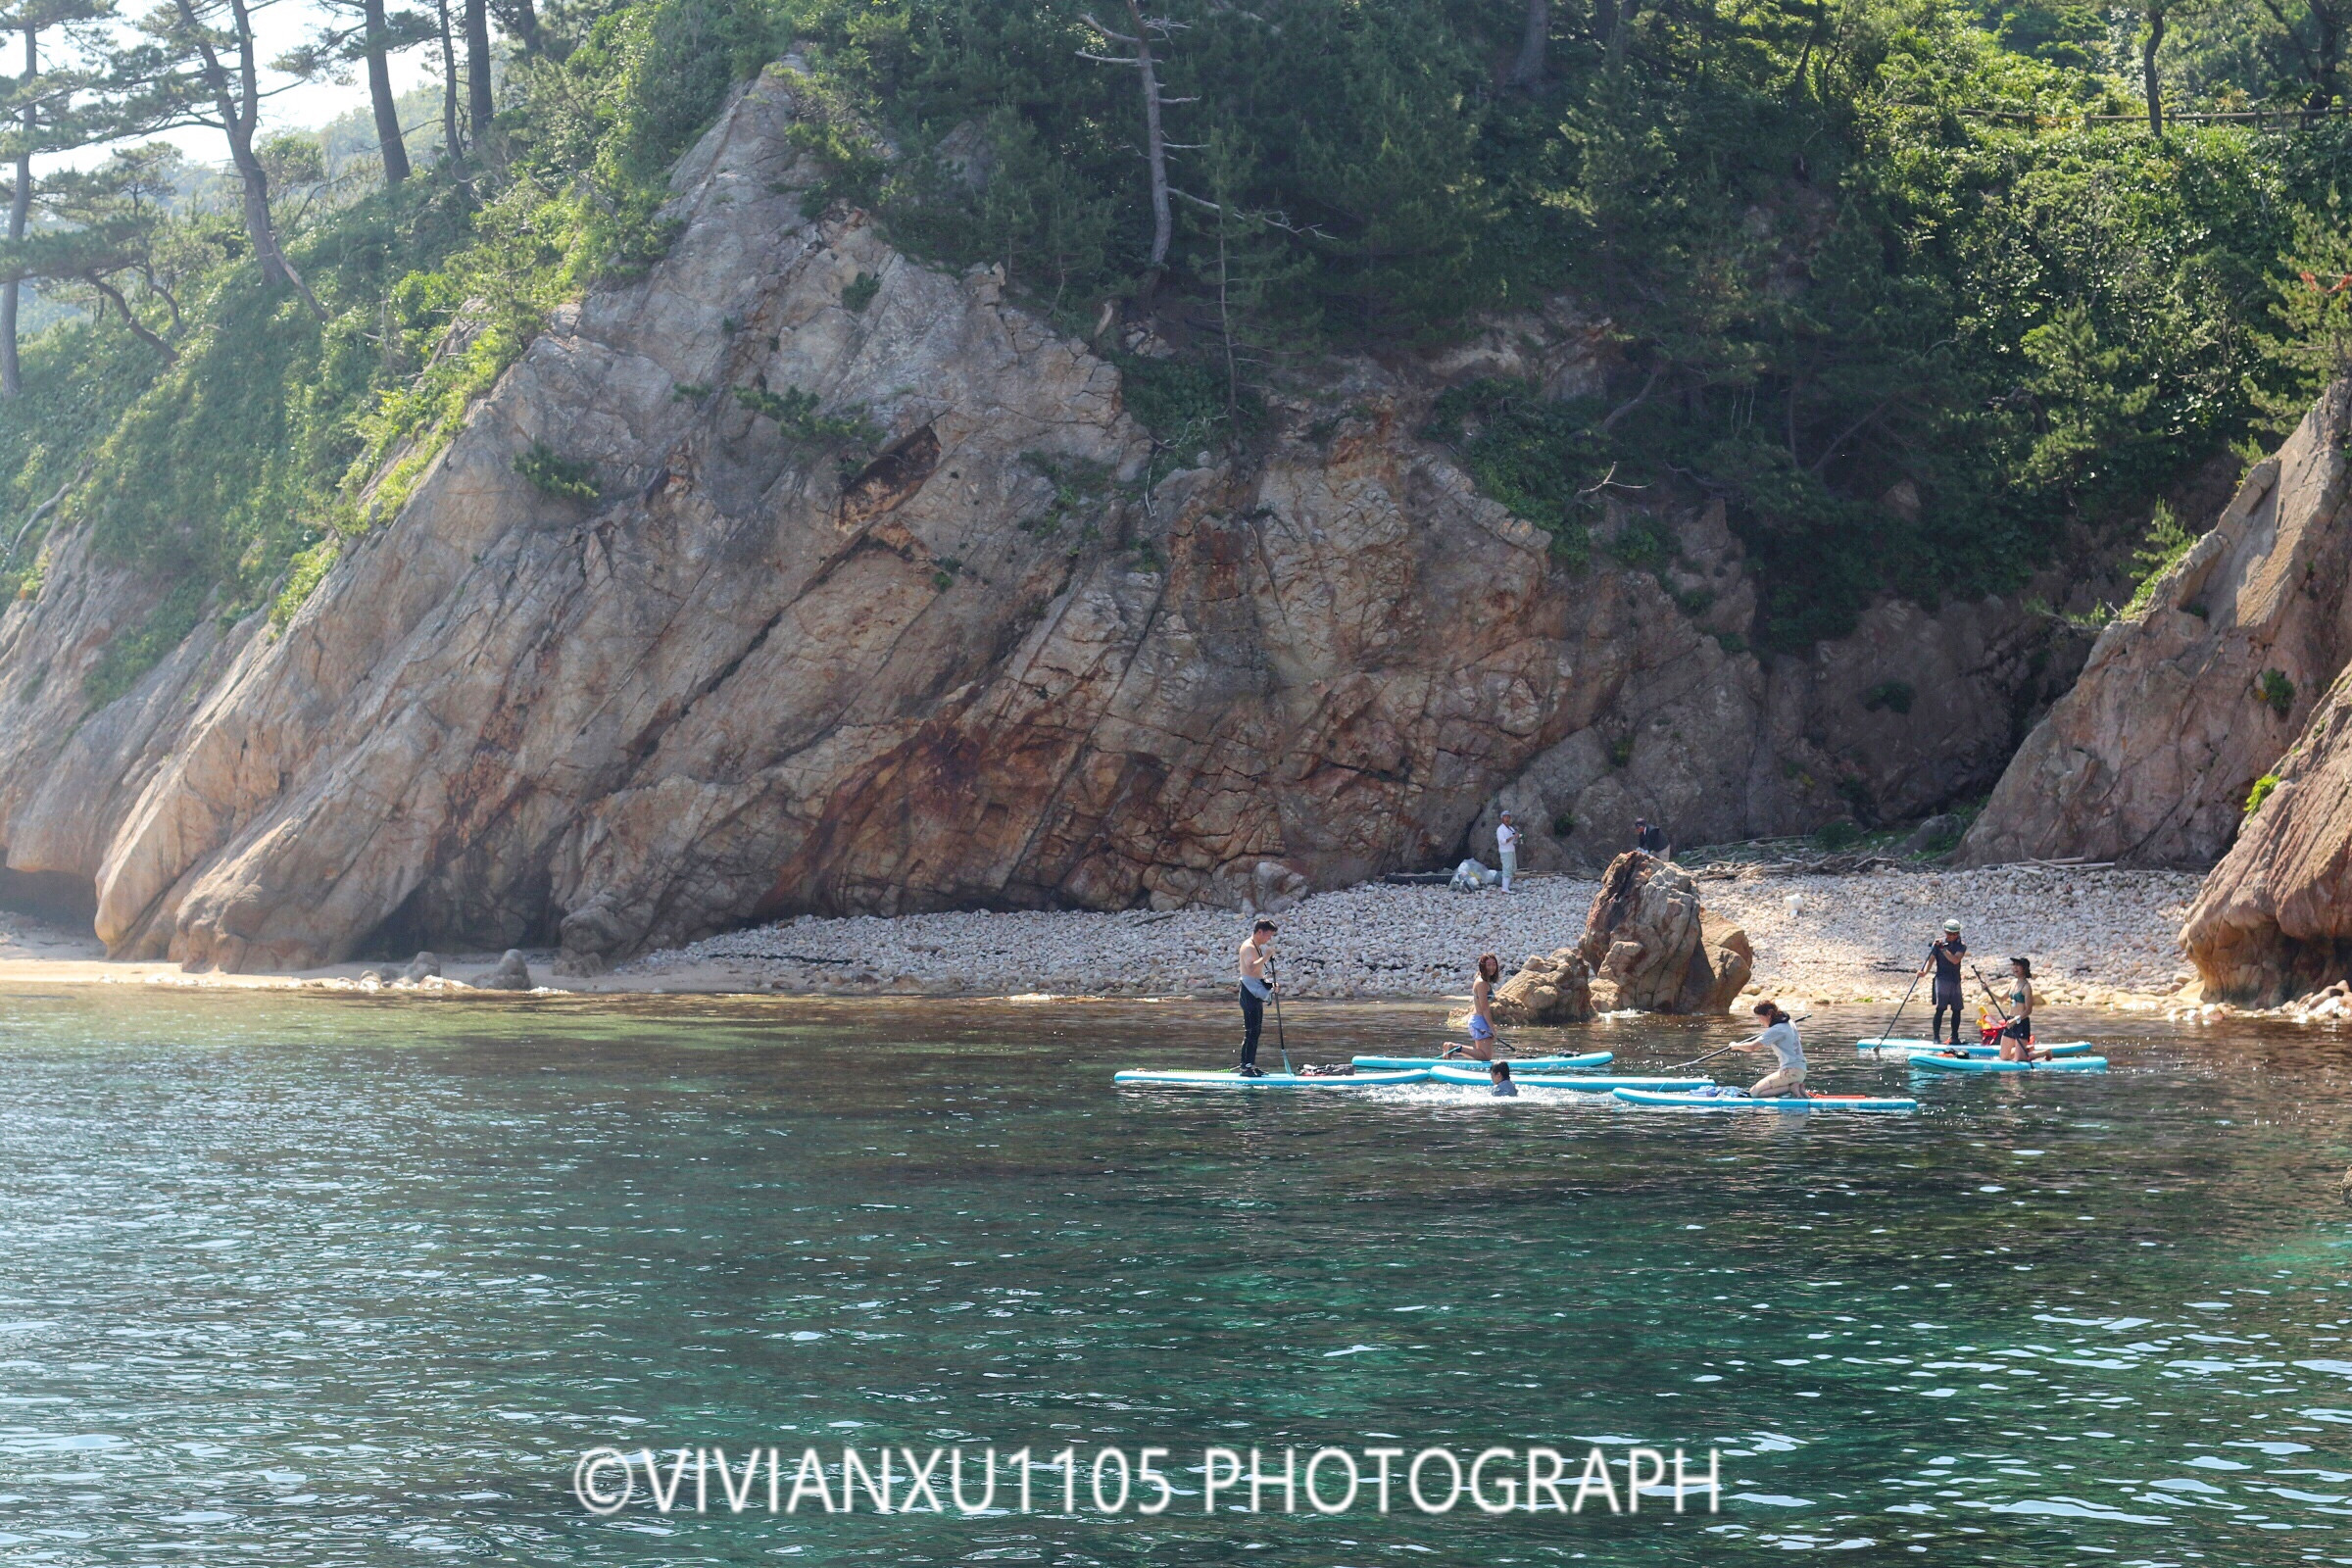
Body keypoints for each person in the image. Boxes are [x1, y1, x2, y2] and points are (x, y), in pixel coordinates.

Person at [1731, 1000, 1806, 1098]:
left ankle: (1791, 1088)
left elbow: (1752, 1047)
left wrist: (1735, 1045)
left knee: (1754, 1093)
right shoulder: (1790, 1023)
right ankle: (1797, 1087)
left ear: (1769, 1014)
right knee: (1759, 1090)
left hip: (1790, 1072)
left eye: (1759, 1017)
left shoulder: (1777, 1029)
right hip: (1801, 1070)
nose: (1759, 1020)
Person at [1237, 919, 1277, 1077]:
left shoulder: (1256, 946)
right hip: (1248, 992)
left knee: (1256, 1031)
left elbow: (1257, 971)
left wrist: (1268, 982)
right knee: (1251, 1031)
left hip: (1255, 990)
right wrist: (1267, 956)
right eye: (1268, 935)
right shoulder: (1248, 946)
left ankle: (1251, 1064)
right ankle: (1245, 1067)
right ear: (1260, 931)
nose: (1269, 939)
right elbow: (1251, 967)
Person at [1918, 919, 1968, 1045]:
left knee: (1957, 1009)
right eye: (1949, 933)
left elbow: (1955, 960)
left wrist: (1943, 949)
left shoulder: (1961, 945)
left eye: (1954, 934)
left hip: (1955, 980)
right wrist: (1924, 972)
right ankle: (1936, 1038)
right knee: (1940, 1008)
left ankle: (1954, 1037)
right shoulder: (1938, 945)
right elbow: (1931, 960)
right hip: (1942, 979)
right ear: (1945, 932)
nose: (1952, 936)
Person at [1449, 953, 1504, 1060]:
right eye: (1488, 965)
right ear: (1482, 966)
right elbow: (1485, 1008)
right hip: (1480, 1021)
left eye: (1494, 964)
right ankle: (1454, 1047)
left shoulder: (1482, 981)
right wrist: (1492, 1028)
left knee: (1482, 1055)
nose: (1492, 967)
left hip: (1478, 1021)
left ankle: (1454, 1048)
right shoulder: (1482, 983)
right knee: (1486, 1057)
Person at [1997, 956, 2037, 1060]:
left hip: (2021, 1023)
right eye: (2013, 965)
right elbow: (2001, 999)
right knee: (2004, 1057)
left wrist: (2015, 1020)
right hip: (2010, 1020)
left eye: (2017, 965)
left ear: (2024, 969)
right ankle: (2026, 1049)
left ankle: (2044, 1053)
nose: (2014, 968)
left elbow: (2028, 1010)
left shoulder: (2026, 987)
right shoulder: (2013, 983)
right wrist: (1987, 990)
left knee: (2019, 1059)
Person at [1495, 811, 1520, 893]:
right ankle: (1504, 888)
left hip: (1511, 850)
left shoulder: (1511, 828)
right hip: (1505, 852)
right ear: (1502, 818)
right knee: (1507, 869)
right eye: (1505, 817)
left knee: (1513, 868)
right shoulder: (1500, 829)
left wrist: (1517, 837)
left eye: (1508, 817)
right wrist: (1512, 837)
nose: (1507, 819)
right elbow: (1503, 841)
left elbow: (1514, 841)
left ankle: (1508, 885)